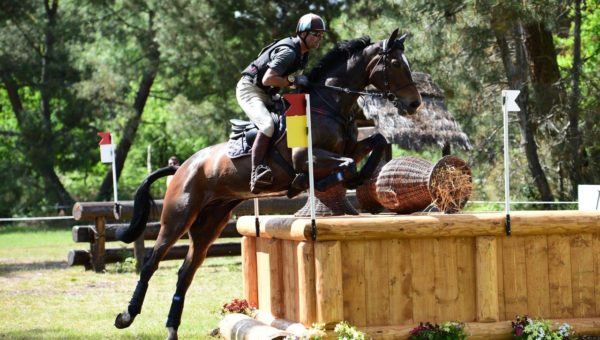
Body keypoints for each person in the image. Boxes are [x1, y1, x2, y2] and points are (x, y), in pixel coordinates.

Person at [237, 13, 326, 194]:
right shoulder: (289, 52)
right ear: (303, 33)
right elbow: (269, 78)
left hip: (268, 94)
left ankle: (297, 168)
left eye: (321, 35)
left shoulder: (303, 54)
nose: (319, 39)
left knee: (296, 115)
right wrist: (294, 80)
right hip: (250, 90)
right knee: (267, 125)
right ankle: (257, 171)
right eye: (315, 34)